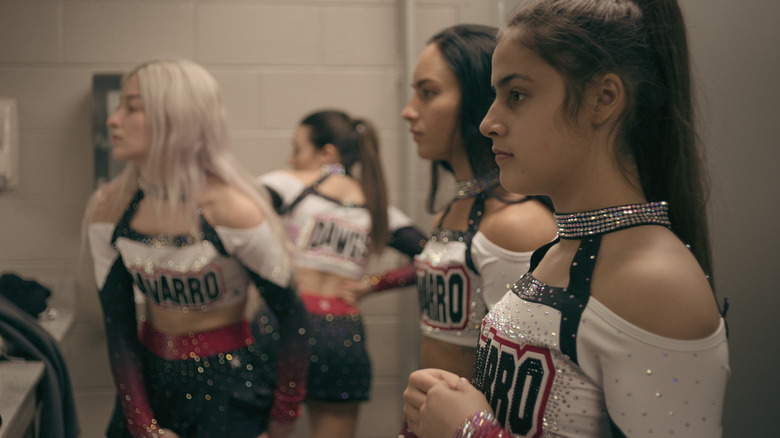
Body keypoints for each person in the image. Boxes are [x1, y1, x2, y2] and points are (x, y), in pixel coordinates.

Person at [403, 1, 731, 437]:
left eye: (516, 95)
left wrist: (471, 429)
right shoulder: (561, 249)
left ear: (603, 99)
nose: (488, 122)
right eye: (495, 95)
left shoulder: (655, 280)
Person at [85, 58, 310, 438]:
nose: (113, 120)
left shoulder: (232, 210)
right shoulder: (109, 208)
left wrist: (284, 417)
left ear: (176, 118)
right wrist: (143, 425)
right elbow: (118, 328)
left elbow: (294, 316)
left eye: (132, 107)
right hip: (149, 382)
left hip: (230, 388)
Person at [397, 23, 557, 436]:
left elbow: (529, 380)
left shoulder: (517, 224)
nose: (408, 110)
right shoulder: (452, 211)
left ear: (476, 100)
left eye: (428, 92)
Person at [258, 110, 427, 438]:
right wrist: (373, 284)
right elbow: (436, 258)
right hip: (341, 334)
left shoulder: (290, 184)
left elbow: (227, 210)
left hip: (285, 321)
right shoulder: (377, 206)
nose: (292, 158)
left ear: (327, 153)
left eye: (298, 148)